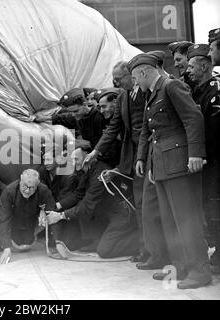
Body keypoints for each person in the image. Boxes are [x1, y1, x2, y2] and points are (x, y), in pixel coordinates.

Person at [131, 53, 212, 289]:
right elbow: (151, 131)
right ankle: (180, 267)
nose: (136, 83)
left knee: (186, 220)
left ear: (144, 72)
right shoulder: (153, 94)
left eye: (136, 77)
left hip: (179, 163)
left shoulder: (171, 86)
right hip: (164, 165)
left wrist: (196, 153)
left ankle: (200, 271)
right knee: (170, 221)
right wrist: (146, 162)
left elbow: (193, 118)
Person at [83, 61, 157, 263]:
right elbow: (113, 128)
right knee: (140, 205)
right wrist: (96, 152)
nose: (115, 82)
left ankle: (156, 251)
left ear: (129, 75)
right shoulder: (123, 97)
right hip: (133, 160)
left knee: (151, 206)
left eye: (118, 78)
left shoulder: (147, 91)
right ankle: (146, 250)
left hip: (152, 155)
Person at [45, 145, 139, 258]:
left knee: (104, 251)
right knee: (83, 211)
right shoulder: (88, 170)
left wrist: (61, 216)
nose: (74, 163)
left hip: (122, 215)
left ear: (89, 157)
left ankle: (142, 241)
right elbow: (78, 194)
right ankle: (98, 239)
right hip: (106, 213)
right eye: (72, 160)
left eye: (76, 159)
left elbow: (86, 206)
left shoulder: (99, 173)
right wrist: (57, 206)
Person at [187, 43, 220, 274]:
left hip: (215, 161)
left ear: (205, 66)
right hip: (208, 162)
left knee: (215, 207)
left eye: (192, 66)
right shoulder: (197, 90)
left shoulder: (214, 91)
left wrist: (203, 154)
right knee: (209, 207)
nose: (188, 70)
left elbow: (215, 129)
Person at [0, 169, 55, 264]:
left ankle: (33, 233)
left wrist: (58, 241)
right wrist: (6, 247)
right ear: (20, 180)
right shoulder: (9, 192)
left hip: (31, 222)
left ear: (37, 185)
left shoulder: (43, 190)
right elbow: (3, 219)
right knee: (17, 243)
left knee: (28, 243)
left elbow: (52, 212)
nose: (27, 191)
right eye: (24, 186)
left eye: (31, 188)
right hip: (14, 223)